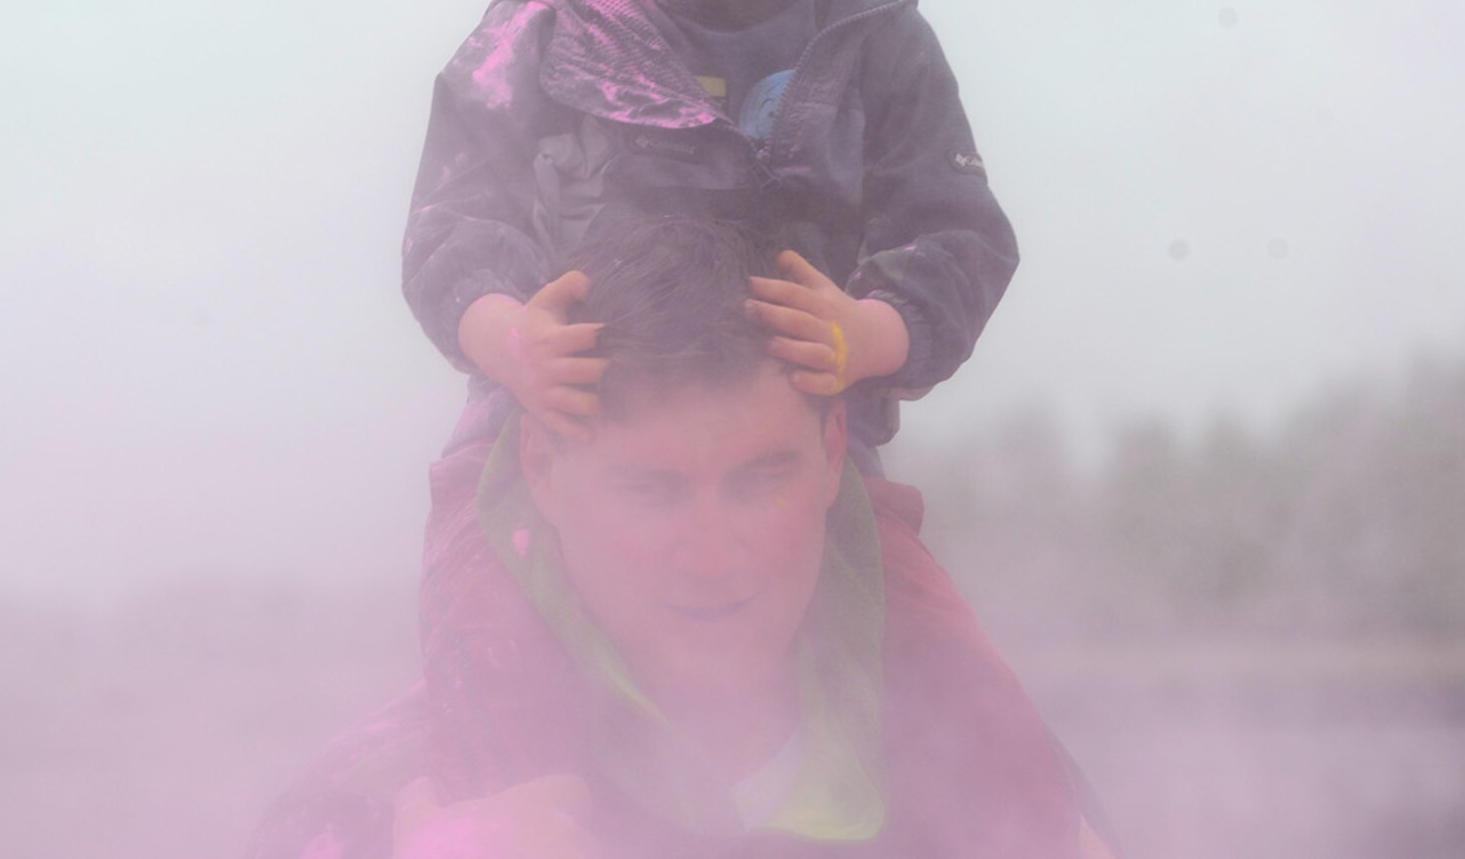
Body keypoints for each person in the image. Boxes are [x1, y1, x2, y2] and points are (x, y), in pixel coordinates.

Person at [402, 0, 1024, 807]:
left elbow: (959, 236)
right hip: (538, 459)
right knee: (499, 729)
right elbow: (450, 217)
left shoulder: (870, 36)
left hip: (797, 467)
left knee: (981, 716)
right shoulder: (545, 16)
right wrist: (506, 338)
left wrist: (866, 337)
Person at [250, 219, 1117, 857]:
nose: (712, 554)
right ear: (543, 473)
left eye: (759, 478)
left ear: (829, 456)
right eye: (651, 489)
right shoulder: (390, 807)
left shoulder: (1005, 784)